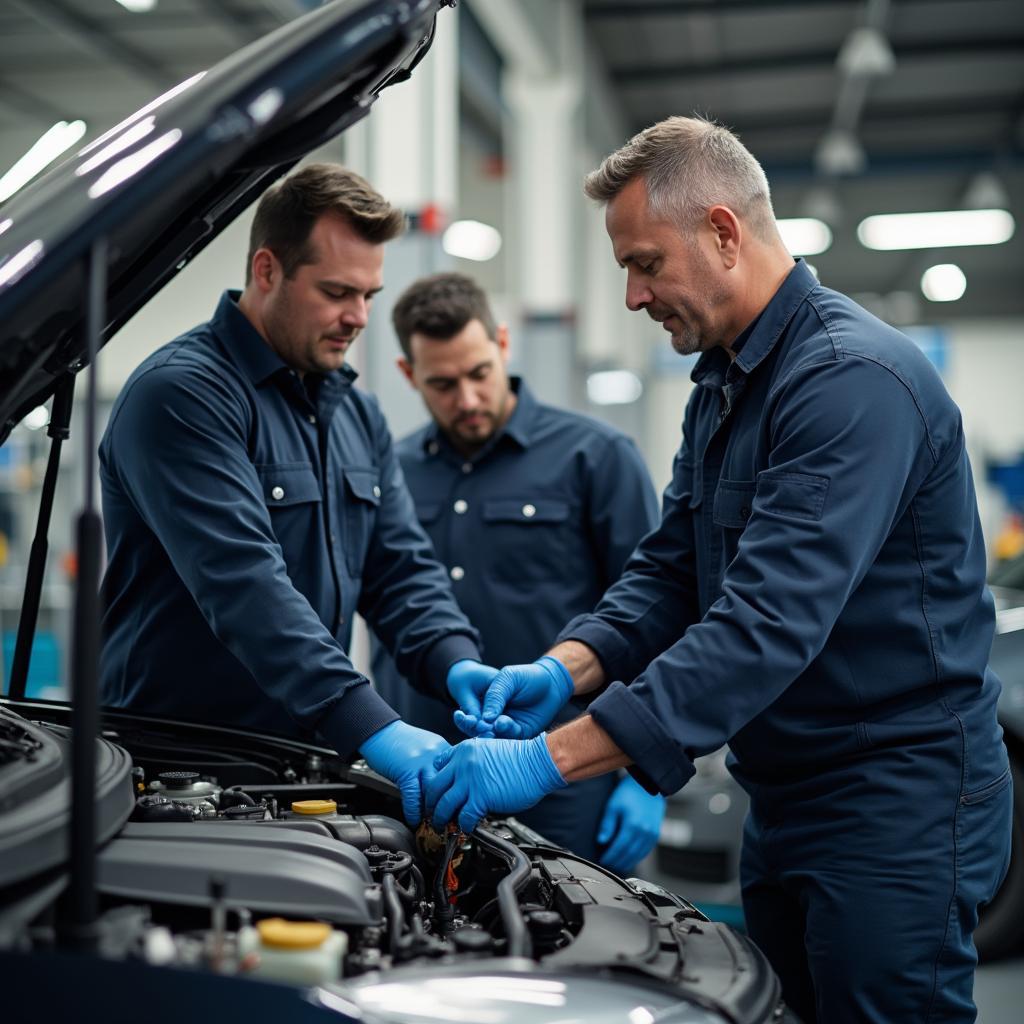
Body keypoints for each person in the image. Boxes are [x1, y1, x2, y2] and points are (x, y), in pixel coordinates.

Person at [426, 117, 1012, 1023]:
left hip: (898, 799)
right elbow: (670, 572)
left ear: (724, 233)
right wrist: (562, 669)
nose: (631, 295)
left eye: (646, 262)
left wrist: (546, 760)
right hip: (785, 789)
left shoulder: (851, 383)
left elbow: (763, 626)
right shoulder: (727, 384)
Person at [99, 163, 501, 824]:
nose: (359, 317)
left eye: (369, 294)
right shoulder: (182, 395)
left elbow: (400, 569)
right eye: (338, 292)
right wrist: (371, 725)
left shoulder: (355, 413)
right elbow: (243, 583)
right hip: (176, 771)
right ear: (267, 270)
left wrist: (454, 660)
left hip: (297, 762)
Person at [370, 272, 665, 872]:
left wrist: (643, 776)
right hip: (420, 771)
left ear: (503, 343)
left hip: (559, 776)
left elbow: (655, 613)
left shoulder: (596, 458)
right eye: (443, 384)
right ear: (409, 376)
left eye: (479, 373)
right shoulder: (389, 472)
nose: (468, 399)